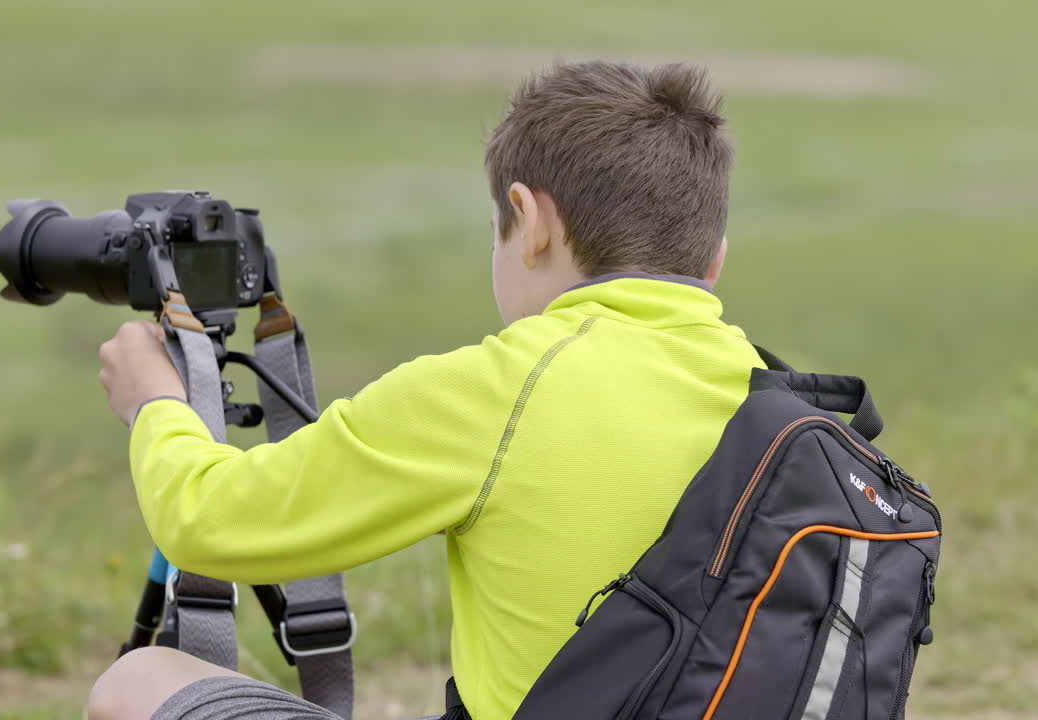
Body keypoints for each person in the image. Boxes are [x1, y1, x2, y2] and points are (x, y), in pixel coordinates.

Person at [88, 60, 761, 720]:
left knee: (137, 682)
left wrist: (157, 403)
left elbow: (204, 523)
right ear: (715, 260)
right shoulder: (796, 411)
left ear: (531, 223)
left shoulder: (494, 393)